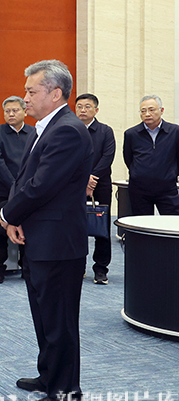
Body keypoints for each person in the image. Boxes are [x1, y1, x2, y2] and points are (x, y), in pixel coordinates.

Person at [1, 59, 92, 401]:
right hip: (40, 239)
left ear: (55, 93)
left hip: (58, 245)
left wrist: (7, 214)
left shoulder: (67, 130)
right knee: (45, 318)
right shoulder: (47, 127)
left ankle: (65, 398)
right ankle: (49, 377)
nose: (24, 97)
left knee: (60, 325)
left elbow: (41, 186)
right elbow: (23, 179)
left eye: (31, 91)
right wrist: (14, 217)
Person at [0, 96, 35, 283]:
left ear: (25, 111)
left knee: (26, 229)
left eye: (15, 110)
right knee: (0, 230)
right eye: (7, 111)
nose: (11, 114)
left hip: (27, 191)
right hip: (2, 190)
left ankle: (26, 266)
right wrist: (15, 186)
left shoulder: (34, 132)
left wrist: (23, 188)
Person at [75, 93, 116, 285]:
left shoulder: (105, 131)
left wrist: (91, 179)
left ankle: (101, 269)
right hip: (75, 185)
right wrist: (83, 179)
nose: (83, 110)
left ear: (96, 110)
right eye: (79, 107)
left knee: (102, 228)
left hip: (101, 185)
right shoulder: (70, 130)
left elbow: (108, 157)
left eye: (87, 106)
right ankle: (78, 266)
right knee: (76, 227)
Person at [123, 95, 179, 215]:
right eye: (143, 111)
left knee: (172, 221)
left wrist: (172, 174)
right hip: (139, 188)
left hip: (167, 187)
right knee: (140, 222)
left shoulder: (175, 132)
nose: (147, 114)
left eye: (151, 110)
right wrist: (137, 173)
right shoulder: (131, 134)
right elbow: (128, 158)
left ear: (161, 110)